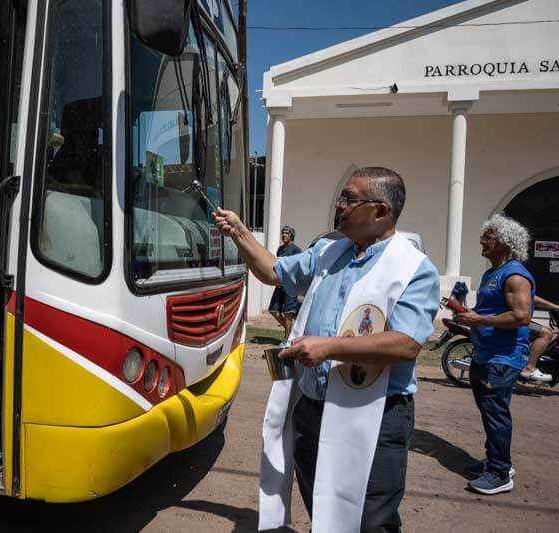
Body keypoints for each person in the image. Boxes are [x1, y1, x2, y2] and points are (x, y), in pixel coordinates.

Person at [215, 166, 440, 531]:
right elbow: (274, 272)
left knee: (369, 518)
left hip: (376, 413)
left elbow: (406, 344)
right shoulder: (329, 250)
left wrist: (328, 348)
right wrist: (239, 231)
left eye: (349, 199)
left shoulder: (413, 267)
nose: (340, 205)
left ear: (381, 210)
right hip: (314, 407)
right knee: (322, 502)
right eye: (341, 197)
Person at [455, 214, 533, 495]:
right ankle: (495, 460)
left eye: (488, 237)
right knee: (489, 413)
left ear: (505, 242)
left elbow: (521, 316)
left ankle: (500, 473)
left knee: (495, 414)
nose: (482, 241)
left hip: (502, 358)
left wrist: (479, 321)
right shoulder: (493, 273)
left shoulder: (513, 274)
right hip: (485, 354)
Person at [268, 225, 302, 343]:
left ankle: (287, 339)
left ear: (291, 235)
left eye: (286, 233)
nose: (284, 235)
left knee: (288, 313)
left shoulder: (296, 250)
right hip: (279, 284)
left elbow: (298, 267)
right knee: (273, 310)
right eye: (283, 233)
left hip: (291, 285)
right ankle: (293, 333)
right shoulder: (280, 249)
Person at [521, 295, 559, 383]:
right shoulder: (519, 281)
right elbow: (530, 297)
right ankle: (529, 368)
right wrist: (555, 307)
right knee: (546, 333)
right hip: (512, 319)